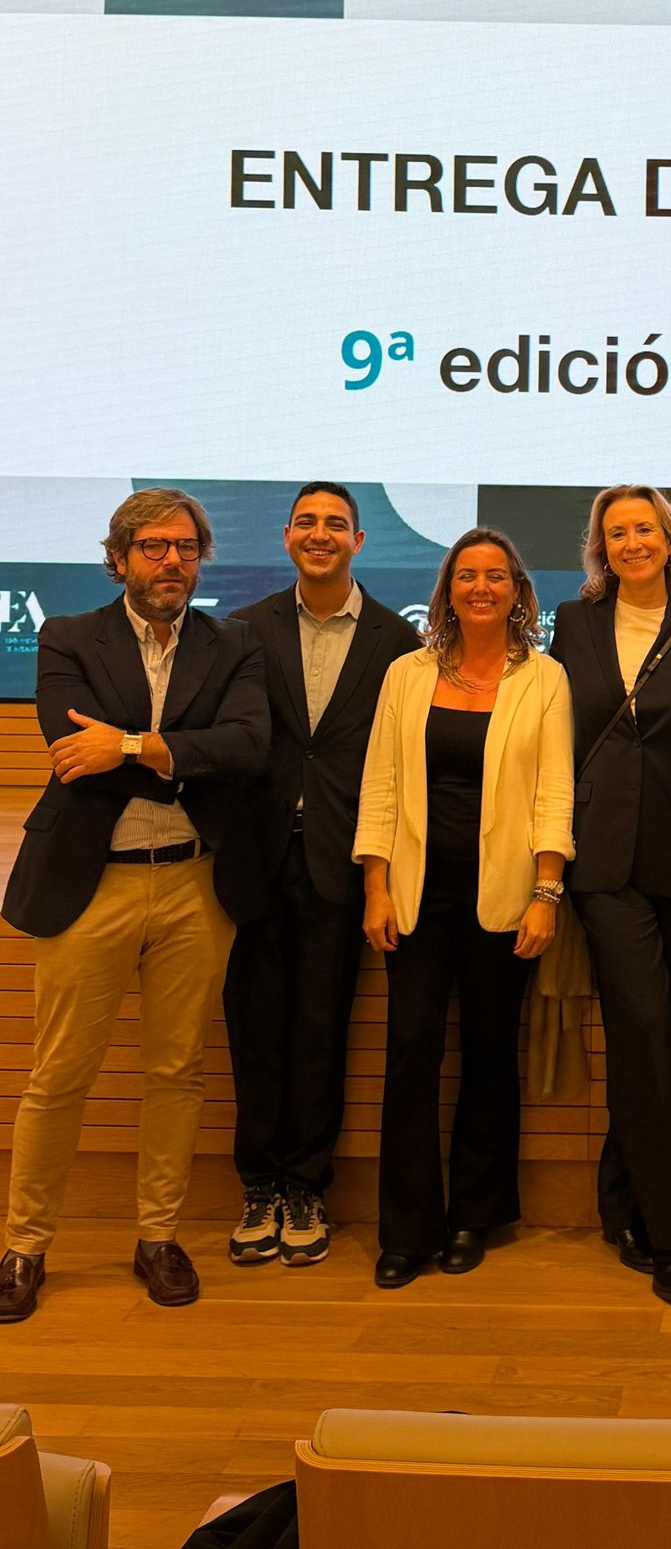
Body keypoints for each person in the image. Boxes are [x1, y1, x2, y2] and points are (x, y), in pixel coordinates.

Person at [0, 490, 269, 1324]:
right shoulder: (67, 636)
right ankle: (23, 1246)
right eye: (154, 546)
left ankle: (158, 1238)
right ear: (119, 558)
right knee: (58, 1075)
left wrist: (128, 744)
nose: (172, 561)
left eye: (186, 547)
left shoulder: (234, 644)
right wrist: (179, 760)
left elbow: (248, 747)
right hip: (92, 884)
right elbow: (67, 749)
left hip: (195, 884)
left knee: (177, 1072)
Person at [353, 527, 574, 1289]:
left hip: (505, 898)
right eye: (467, 575)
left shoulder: (544, 679)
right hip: (414, 896)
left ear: (517, 591)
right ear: (448, 589)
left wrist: (546, 893)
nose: (481, 587)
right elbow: (380, 784)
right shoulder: (406, 674)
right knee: (410, 1054)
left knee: (488, 1056)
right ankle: (406, 1230)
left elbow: (554, 791)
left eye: (496, 576)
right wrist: (375, 886)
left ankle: (474, 1216)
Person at [223, 482, 420, 1268]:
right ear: (286, 536)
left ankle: (305, 1187)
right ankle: (258, 1187)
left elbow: (398, 763)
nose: (320, 534)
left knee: (320, 1030)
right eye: (306, 522)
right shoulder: (243, 629)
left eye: (335, 523)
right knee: (253, 1032)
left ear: (359, 542)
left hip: (342, 861)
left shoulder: (396, 640)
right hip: (254, 859)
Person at [549, 485, 671, 1306]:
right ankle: (670, 1236)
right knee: (642, 1025)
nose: (632, 542)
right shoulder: (574, 622)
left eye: (646, 529)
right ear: (602, 547)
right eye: (617, 532)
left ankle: (621, 1198)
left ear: (670, 540)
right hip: (601, 858)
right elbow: (555, 730)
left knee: (666, 1038)